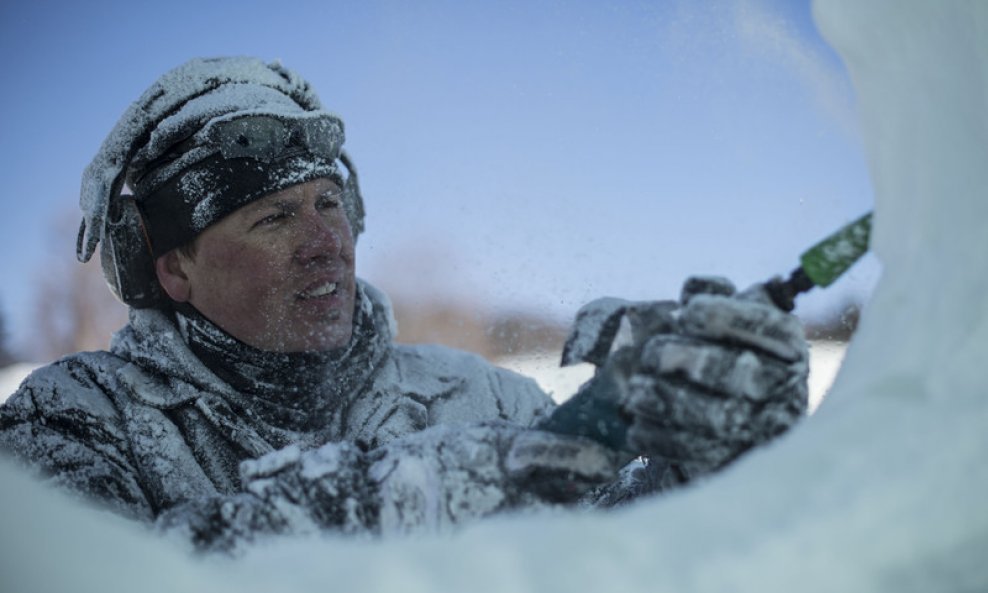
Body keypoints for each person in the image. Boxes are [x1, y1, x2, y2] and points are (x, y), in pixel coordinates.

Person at [0, 57, 809, 553]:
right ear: (172, 269)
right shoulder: (69, 421)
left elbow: (629, 557)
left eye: (328, 204)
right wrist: (436, 489)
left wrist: (702, 461)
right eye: (274, 217)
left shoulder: (479, 397)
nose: (327, 241)